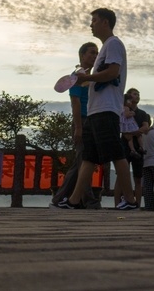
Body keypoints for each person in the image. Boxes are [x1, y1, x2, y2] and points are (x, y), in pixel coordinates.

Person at [58, 8, 138, 210]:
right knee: (89, 157)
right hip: (95, 110)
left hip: (106, 108)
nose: (90, 25)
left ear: (105, 22)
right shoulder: (104, 48)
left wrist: (88, 77)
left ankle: (130, 200)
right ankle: (74, 201)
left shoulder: (113, 44)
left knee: (117, 153)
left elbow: (112, 72)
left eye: (94, 21)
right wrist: (83, 78)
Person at [50, 43, 101, 209]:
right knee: (85, 161)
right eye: (91, 53)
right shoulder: (77, 76)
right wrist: (78, 127)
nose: (95, 56)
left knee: (80, 163)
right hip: (83, 121)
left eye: (96, 53)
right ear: (82, 56)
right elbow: (75, 102)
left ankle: (60, 199)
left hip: (91, 120)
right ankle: (89, 201)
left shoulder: (91, 76)